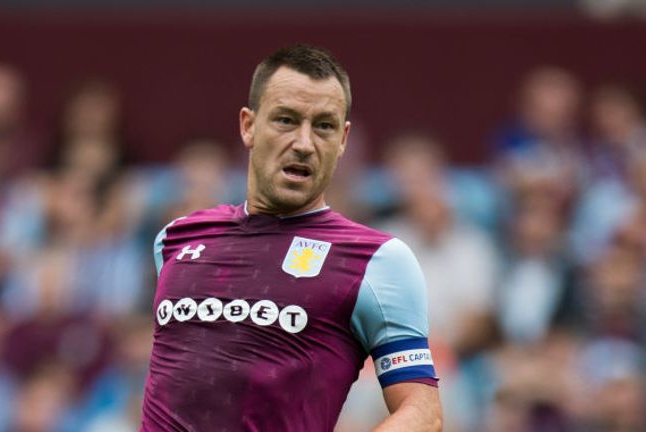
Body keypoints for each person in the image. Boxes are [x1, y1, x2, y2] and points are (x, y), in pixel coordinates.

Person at [141, 45, 441, 431]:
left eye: (324, 126)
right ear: (248, 125)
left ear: (344, 139)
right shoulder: (175, 240)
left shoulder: (378, 261)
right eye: (286, 120)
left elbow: (422, 413)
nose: (304, 143)